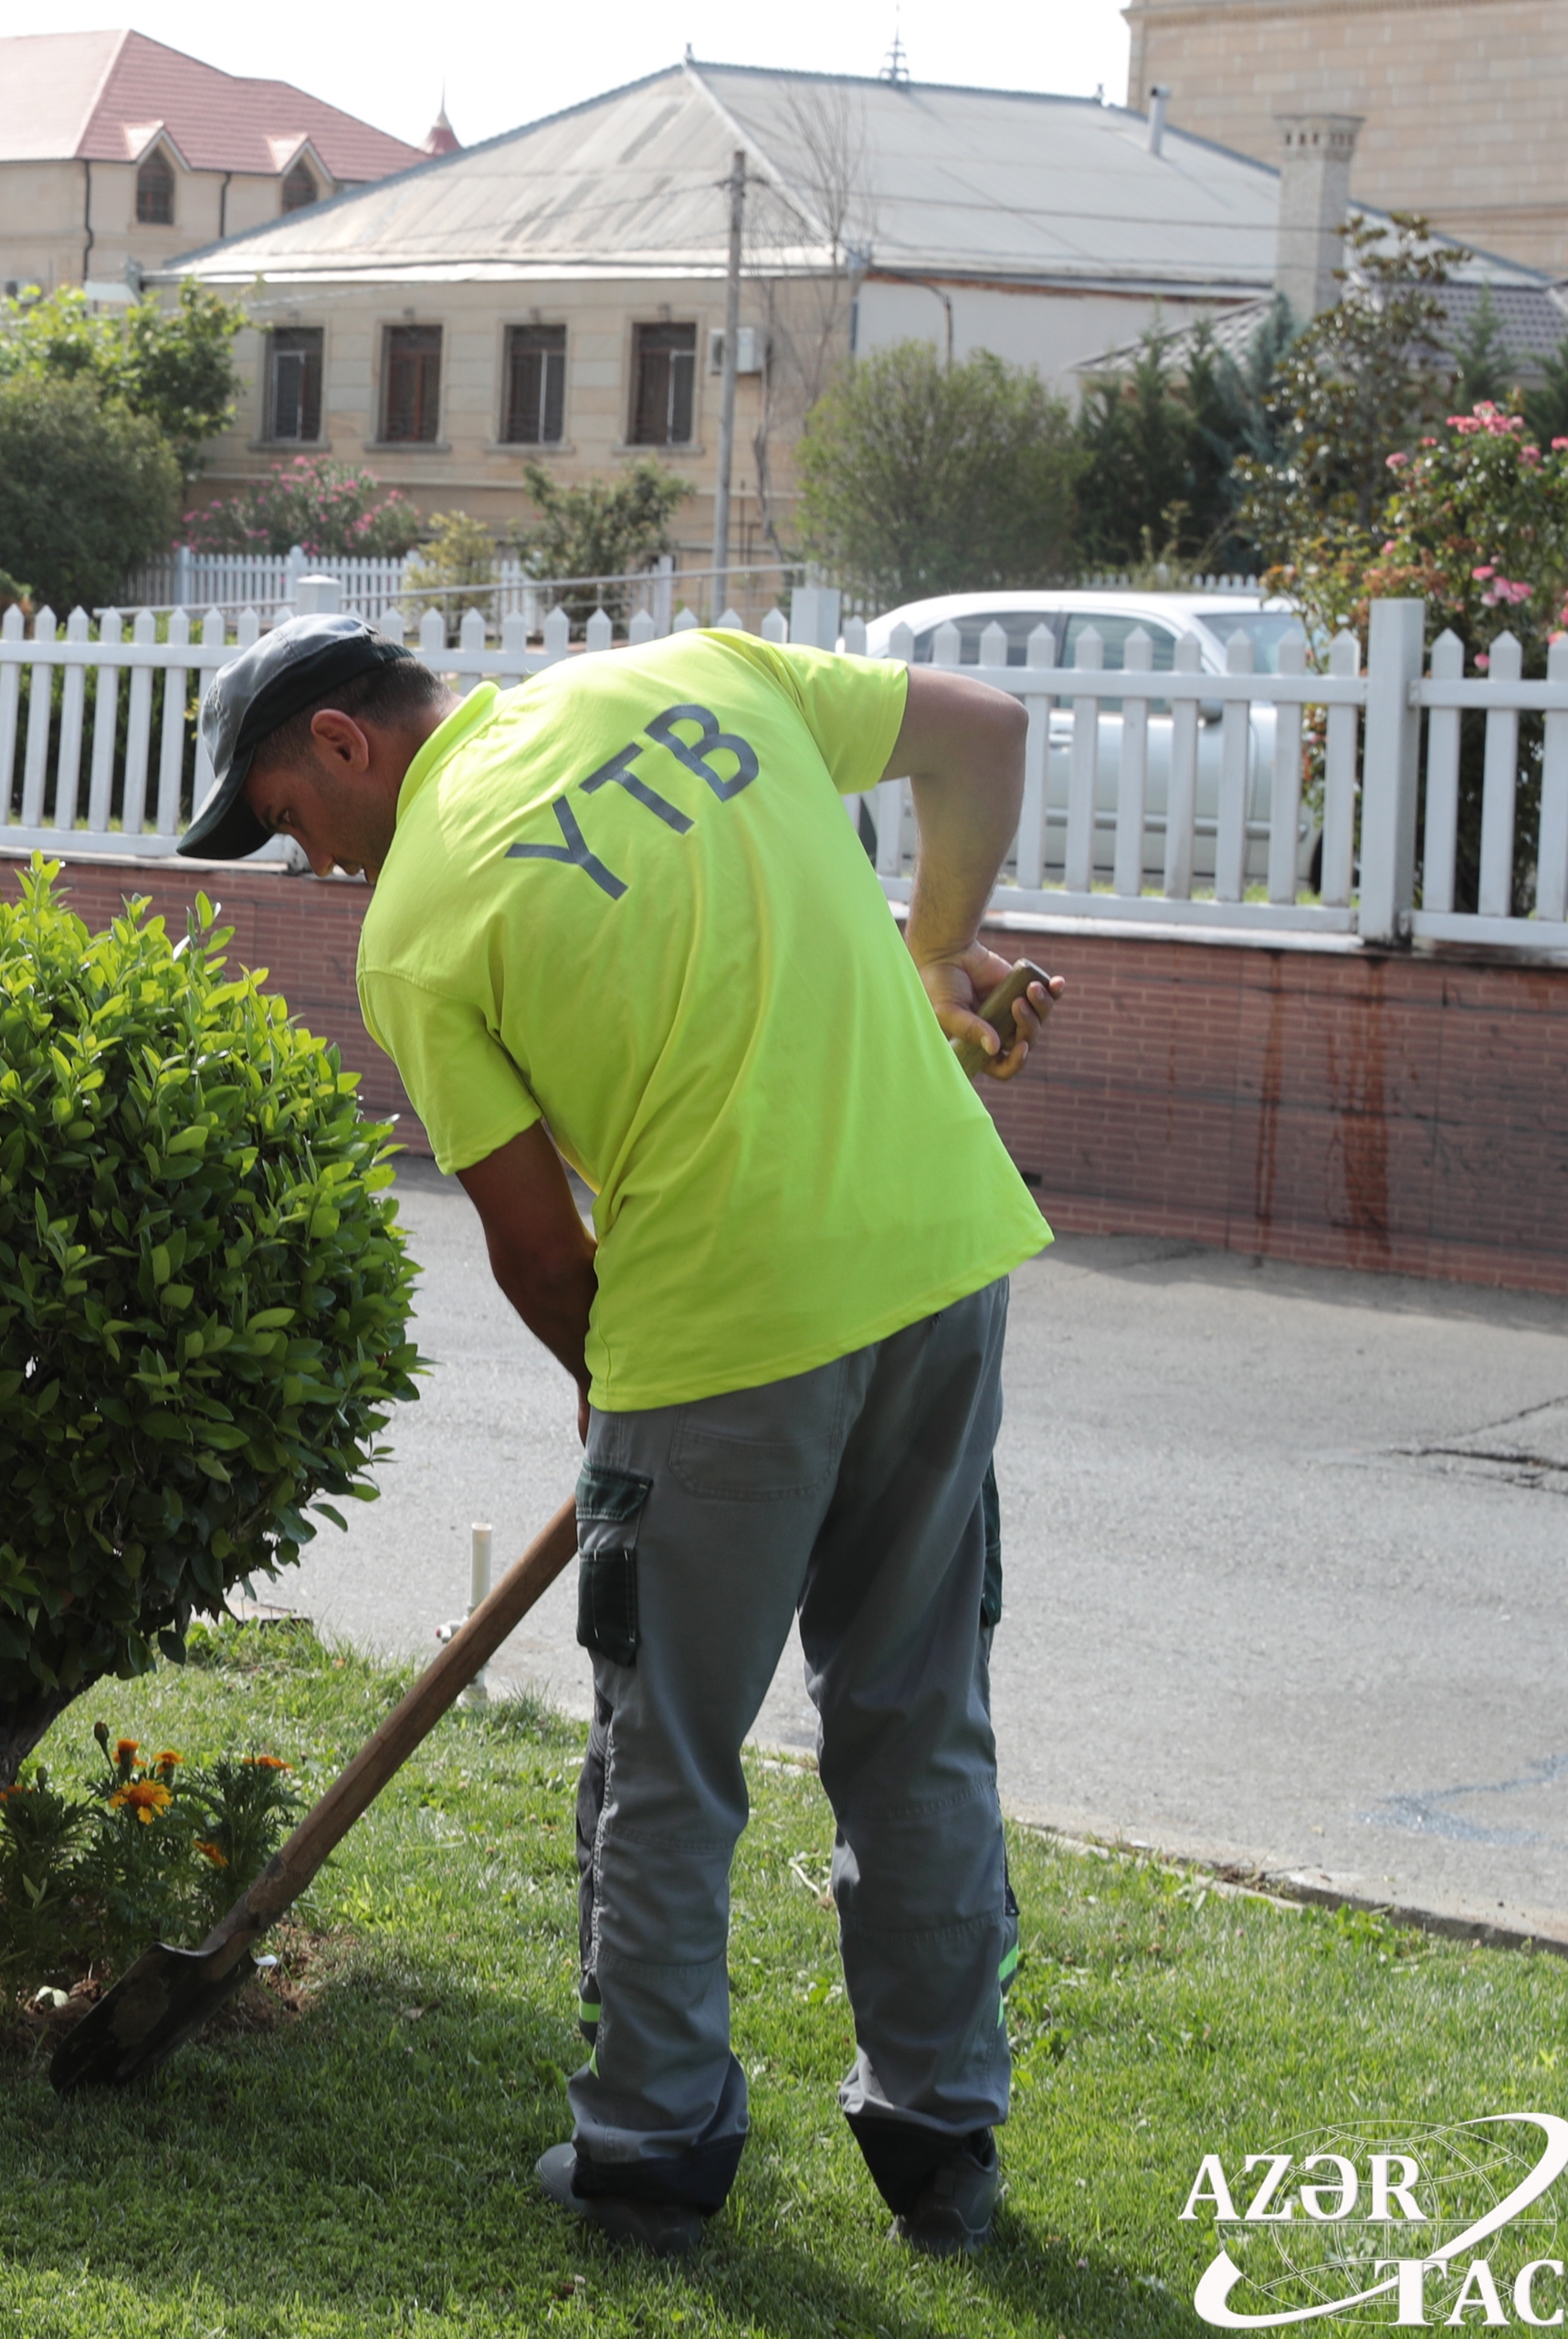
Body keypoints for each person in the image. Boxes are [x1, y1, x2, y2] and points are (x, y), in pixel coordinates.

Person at [176, 614, 1058, 2259]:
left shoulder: (423, 926)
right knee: (918, 1712)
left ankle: (653, 2145)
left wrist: (619, 1387)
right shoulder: (706, 670)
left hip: (718, 1326)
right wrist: (941, 951)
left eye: (290, 814)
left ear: (348, 743)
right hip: (943, 1262)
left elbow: (531, 1242)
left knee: (669, 1759)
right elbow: (987, 733)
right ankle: (943, 2144)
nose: (310, 859)